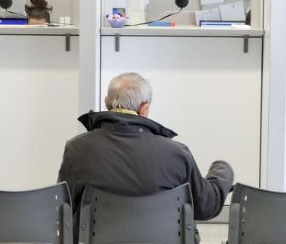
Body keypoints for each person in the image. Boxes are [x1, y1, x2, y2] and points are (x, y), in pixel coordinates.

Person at [56, 72, 234, 221]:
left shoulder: (76, 149)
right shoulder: (176, 153)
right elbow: (206, 206)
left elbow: (62, 208)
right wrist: (222, 170)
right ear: (144, 108)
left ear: (106, 102)